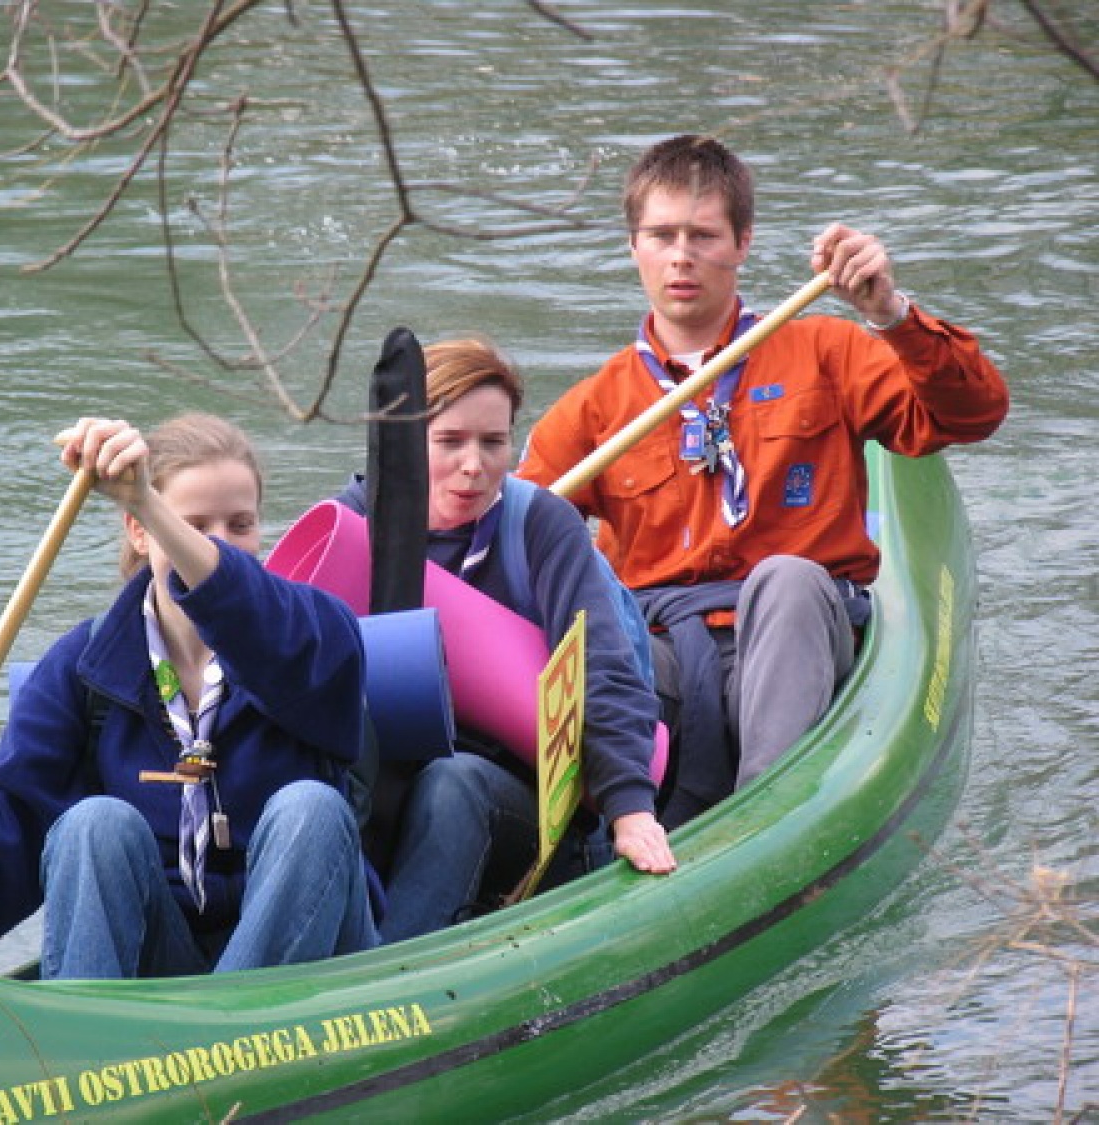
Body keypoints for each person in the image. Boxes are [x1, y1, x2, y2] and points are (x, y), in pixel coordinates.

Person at [519, 134, 1009, 827]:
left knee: (785, 577)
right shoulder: (593, 406)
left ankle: (758, 824)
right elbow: (519, 537)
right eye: (661, 235)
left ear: (743, 242)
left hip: (793, 632)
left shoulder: (826, 351)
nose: (681, 254)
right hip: (665, 651)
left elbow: (973, 412)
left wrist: (889, 312)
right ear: (634, 248)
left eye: (703, 234)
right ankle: (591, 836)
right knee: (594, 628)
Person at [0, 413, 378, 979]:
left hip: (309, 965)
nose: (218, 542)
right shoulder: (81, 668)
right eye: (192, 523)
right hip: (165, 955)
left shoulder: (315, 633)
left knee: (310, 808)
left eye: (241, 524)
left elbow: (243, 603)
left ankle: (232, 1030)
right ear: (139, 533)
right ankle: (87, 1039)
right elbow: (2, 821)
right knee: (93, 824)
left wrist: (149, 502)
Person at [337, 338, 677, 943]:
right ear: (406, 446)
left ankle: (391, 968)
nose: (474, 466)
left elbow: (602, 666)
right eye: (449, 443)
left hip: (519, 794)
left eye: (493, 443)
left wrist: (629, 809)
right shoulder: (347, 526)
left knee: (453, 782)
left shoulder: (541, 524)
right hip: (384, 776)